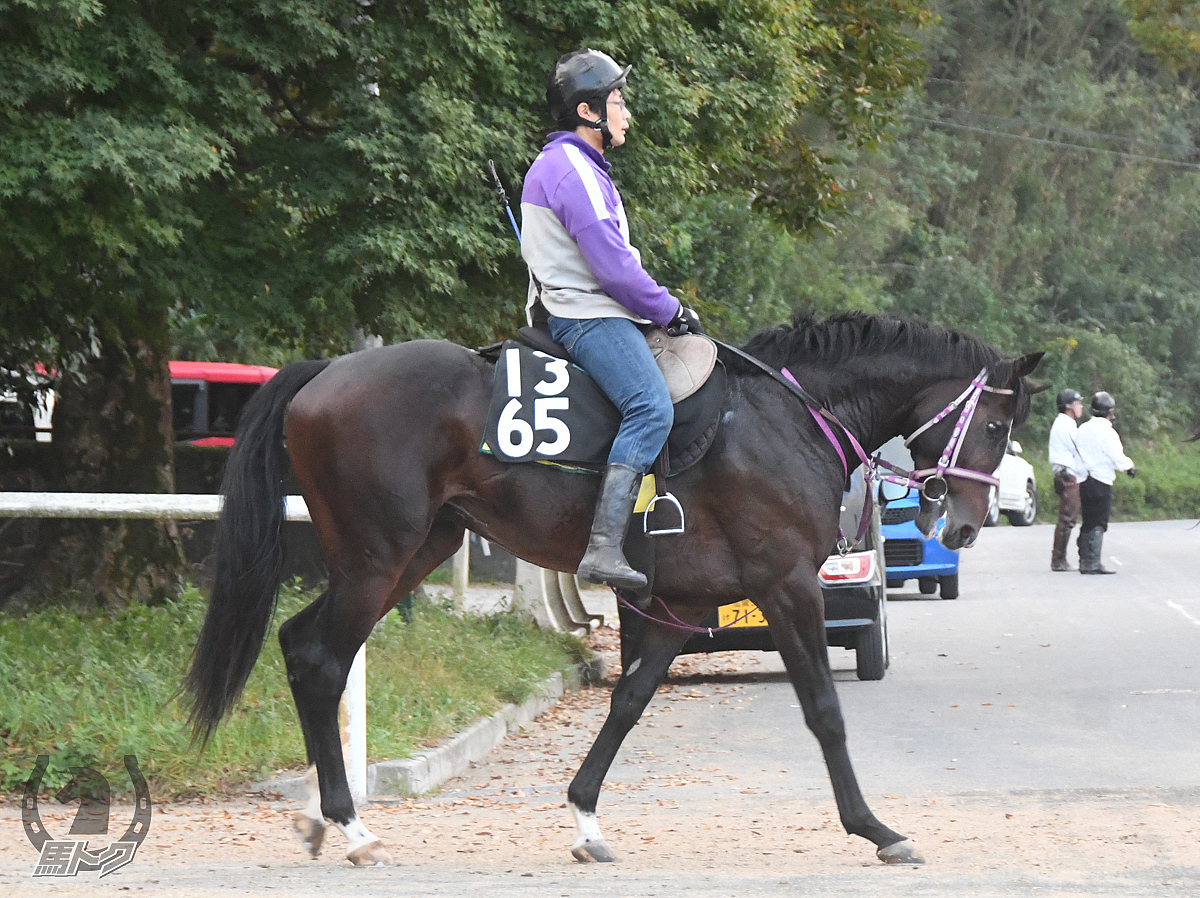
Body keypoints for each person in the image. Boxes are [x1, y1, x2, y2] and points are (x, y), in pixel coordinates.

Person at [520, 49, 700, 591]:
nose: (625, 113)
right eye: (617, 101)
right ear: (588, 110)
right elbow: (616, 271)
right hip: (588, 317)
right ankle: (602, 548)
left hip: (595, 310)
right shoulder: (572, 170)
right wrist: (672, 309)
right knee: (650, 407)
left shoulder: (579, 167)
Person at [1074, 391, 1136, 575]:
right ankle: (1093, 562)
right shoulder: (1109, 433)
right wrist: (1130, 466)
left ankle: (1084, 561)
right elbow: (1116, 457)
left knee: (1087, 521)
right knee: (1099, 522)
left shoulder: (1082, 429)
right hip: (1101, 480)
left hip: (1084, 479)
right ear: (1111, 412)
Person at [1047, 388, 1088, 571]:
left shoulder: (1066, 424)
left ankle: (1059, 558)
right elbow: (1081, 450)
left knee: (1068, 517)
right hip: (1067, 476)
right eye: (1078, 403)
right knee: (1067, 518)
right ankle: (1058, 560)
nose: (1081, 407)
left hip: (1068, 474)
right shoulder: (1066, 425)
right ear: (1068, 406)